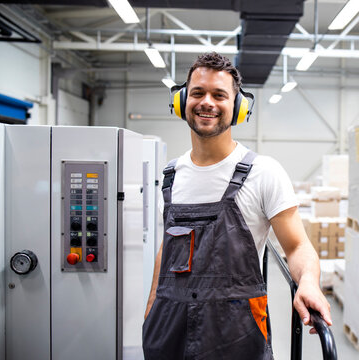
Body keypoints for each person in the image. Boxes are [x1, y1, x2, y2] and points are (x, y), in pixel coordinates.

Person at [142, 52, 332, 360]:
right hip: (168, 333)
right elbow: (167, 251)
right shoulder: (170, 176)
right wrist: (151, 312)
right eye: (197, 93)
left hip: (235, 336)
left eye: (219, 95)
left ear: (238, 107)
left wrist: (308, 282)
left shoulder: (263, 173)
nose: (207, 102)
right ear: (181, 101)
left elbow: (297, 247)